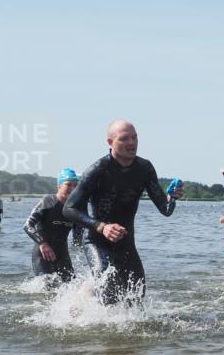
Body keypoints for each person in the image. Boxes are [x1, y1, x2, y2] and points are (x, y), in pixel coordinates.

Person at [63, 120, 183, 304]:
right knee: (108, 284)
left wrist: (172, 197)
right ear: (110, 142)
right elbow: (69, 209)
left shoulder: (144, 168)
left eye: (134, 138)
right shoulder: (97, 170)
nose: (131, 143)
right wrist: (102, 227)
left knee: (137, 294)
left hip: (126, 242)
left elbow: (165, 209)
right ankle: (86, 303)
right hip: (97, 240)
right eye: (124, 138)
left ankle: (90, 292)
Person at [23, 169, 83, 282]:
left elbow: (78, 237)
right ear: (59, 186)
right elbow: (27, 225)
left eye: (75, 186)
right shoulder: (48, 202)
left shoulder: (74, 209)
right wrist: (42, 243)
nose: (72, 189)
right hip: (43, 254)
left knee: (73, 286)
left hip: (63, 255)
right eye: (68, 185)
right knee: (46, 286)